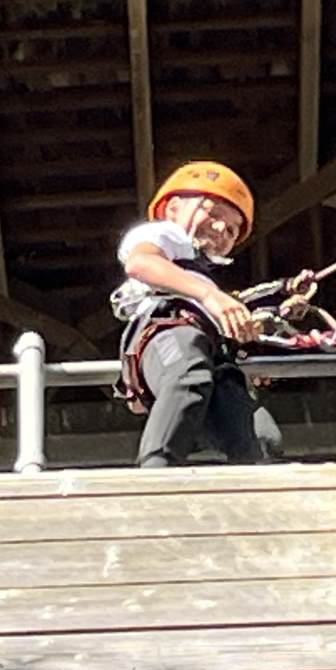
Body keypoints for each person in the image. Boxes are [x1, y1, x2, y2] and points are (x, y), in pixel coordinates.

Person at [114, 161, 284, 469]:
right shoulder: (166, 235)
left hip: (208, 351)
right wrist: (210, 296)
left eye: (231, 230)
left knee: (261, 435)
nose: (220, 229)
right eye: (214, 213)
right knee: (187, 376)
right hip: (167, 332)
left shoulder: (201, 279)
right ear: (173, 208)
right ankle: (154, 477)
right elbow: (140, 264)